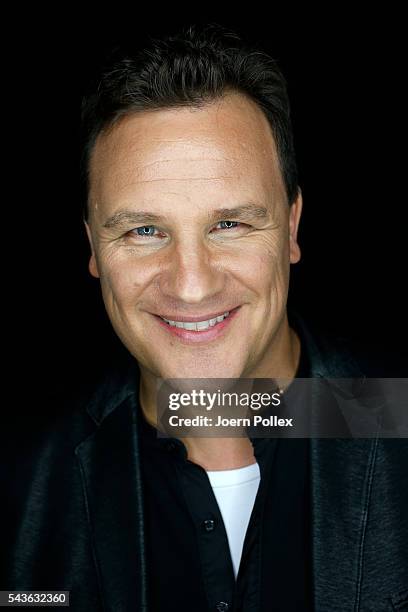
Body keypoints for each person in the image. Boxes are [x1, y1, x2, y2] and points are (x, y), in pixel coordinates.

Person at [3, 24, 407, 612]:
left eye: (230, 224)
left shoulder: (399, 425)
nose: (191, 285)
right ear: (93, 246)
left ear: (292, 227)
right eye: (144, 231)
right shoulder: (19, 481)